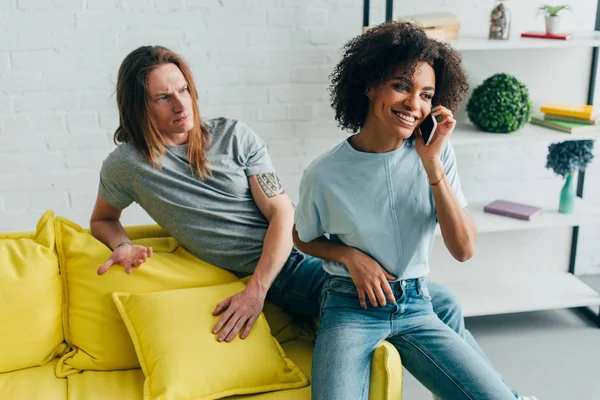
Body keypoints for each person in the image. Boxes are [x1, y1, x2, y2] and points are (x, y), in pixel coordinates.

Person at [89, 44, 529, 398]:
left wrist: (257, 289)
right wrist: (122, 244)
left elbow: (282, 212)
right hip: (301, 271)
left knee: (440, 302)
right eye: (163, 97)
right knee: (438, 303)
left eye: (184, 90)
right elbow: (104, 219)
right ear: (138, 104)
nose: (181, 105)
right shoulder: (126, 166)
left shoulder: (232, 136)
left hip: (297, 262)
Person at [293, 22, 538, 400]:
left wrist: (432, 166)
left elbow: (464, 249)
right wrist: (348, 255)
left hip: (415, 304)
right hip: (349, 307)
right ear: (370, 84)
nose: (414, 104)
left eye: (426, 95)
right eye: (401, 86)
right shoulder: (324, 173)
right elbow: (303, 236)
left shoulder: (436, 156)